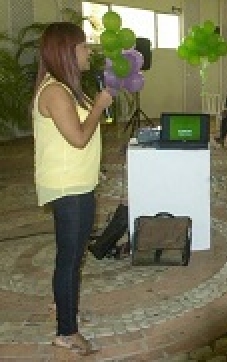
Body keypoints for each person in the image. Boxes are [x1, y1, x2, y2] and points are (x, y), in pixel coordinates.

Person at [33, 22, 113, 355]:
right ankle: (66, 331)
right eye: (83, 46)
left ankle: (60, 305)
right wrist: (98, 106)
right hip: (67, 186)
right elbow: (78, 138)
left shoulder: (64, 88)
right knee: (69, 260)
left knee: (71, 257)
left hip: (75, 180)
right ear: (66, 50)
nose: (88, 51)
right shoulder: (55, 91)